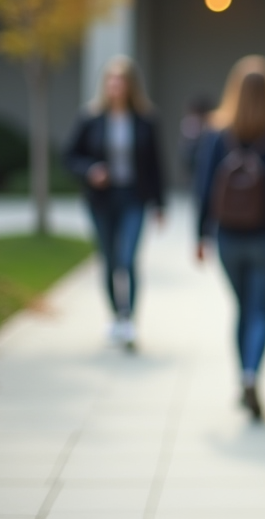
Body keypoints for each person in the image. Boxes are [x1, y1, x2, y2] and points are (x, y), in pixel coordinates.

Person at [195, 55, 265, 421]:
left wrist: (200, 235)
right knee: (261, 311)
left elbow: (203, 188)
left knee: (241, 309)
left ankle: (242, 376)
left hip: (229, 238)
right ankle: (252, 374)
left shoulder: (216, 134)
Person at [64, 55, 166, 351]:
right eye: (111, 81)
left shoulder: (146, 120)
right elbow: (70, 156)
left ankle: (129, 319)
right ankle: (115, 315)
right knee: (108, 260)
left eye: (121, 81)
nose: (115, 86)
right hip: (102, 199)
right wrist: (90, 170)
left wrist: (160, 205)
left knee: (128, 259)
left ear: (131, 85)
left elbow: (156, 165)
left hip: (134, 197)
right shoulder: (91, 118)